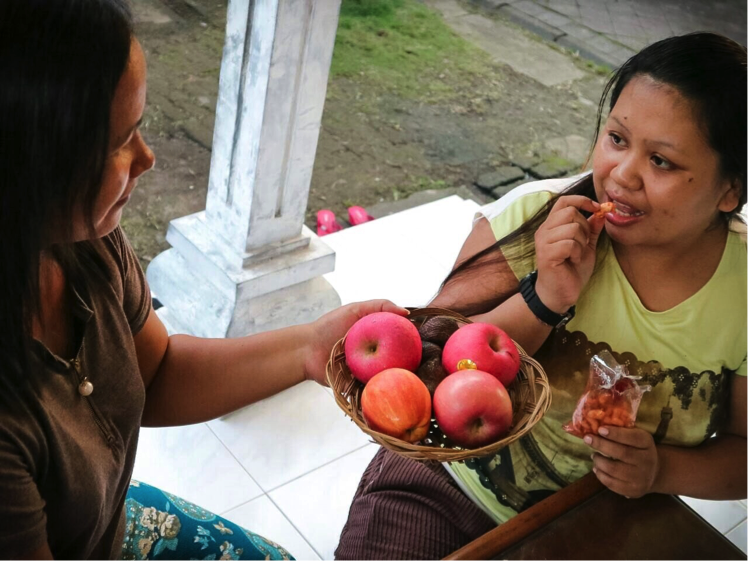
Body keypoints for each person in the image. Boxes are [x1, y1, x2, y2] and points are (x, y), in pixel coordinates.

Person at [0, 1, 406, 560]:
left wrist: (311, 347)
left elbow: (157, 372)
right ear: (27, 163)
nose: (147, 158)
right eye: (119, 141)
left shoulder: (80, 242)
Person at [335, 31, 748, 560]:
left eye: (662, 161)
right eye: (617, 139)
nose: (621, 176)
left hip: (599, 518)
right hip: (443, 485)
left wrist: (662, 470)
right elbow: (427, 366)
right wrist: (545, 298)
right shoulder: (532, 223)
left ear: (730, 189)